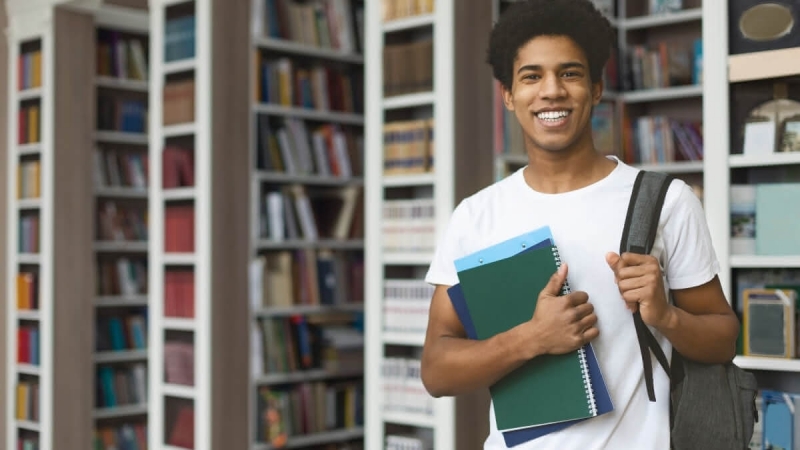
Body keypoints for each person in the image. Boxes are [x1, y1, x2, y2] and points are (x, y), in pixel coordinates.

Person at [419, 0, 740, 448]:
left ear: (596, 88)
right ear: (509, 96)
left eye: (569, 73)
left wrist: (666, 315)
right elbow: (436, 370)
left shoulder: (665, 201)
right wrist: (532, 338)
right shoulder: (476, 215)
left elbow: (723, 340)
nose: (551, 90)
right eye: (531, 76)